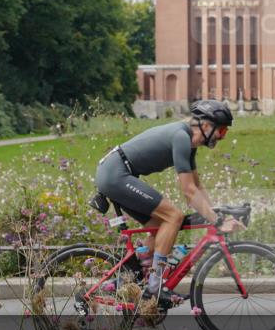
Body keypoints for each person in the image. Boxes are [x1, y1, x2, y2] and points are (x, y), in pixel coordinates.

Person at [93, 99, 244, 305]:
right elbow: (189, 192)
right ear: (207, 125)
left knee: (160, 228)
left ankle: (127, 277)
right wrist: (218, 221)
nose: (222, 137)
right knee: (174, 216)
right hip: (115, 174)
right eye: (223, 130)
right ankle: (154, 288)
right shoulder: (181, 137)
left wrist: (213, 212)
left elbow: (197, 187)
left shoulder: (189, 143)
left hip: (117, 173)